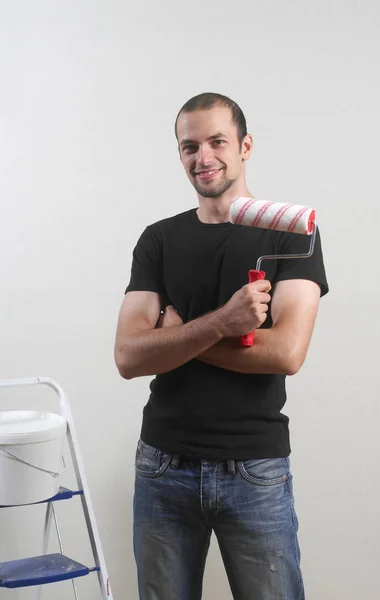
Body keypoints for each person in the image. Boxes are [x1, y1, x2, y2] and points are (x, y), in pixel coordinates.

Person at [114, 92, 329, 600]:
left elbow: (286, 353)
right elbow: (127, 356)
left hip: (254, 467)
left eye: (217, 142)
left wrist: (178, 332)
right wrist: (225, 323)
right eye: (190, 147)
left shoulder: (294, 234)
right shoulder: (158, 240)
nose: (203, 157)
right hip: (163, 465)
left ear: (245, 145)